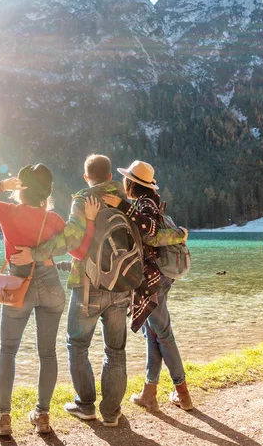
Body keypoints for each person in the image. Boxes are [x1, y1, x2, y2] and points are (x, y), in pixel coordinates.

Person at [11, 155, 184, 426]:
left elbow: (70, 239)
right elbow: (151, 235)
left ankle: (85, 404)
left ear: (86, 176)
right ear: (110, 176)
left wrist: (34, 253)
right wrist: (181, 234)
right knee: (115, 349)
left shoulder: (83, 199)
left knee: (77, 344)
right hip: (122, 286)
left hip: (89, 286)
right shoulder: (127, 201)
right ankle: (112, 413)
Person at [0, 164, 101, 435]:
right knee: (47, 353)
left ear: (22, 188)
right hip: (50, 285)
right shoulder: (55, 219)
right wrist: (91, 221)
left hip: (18, 286)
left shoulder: (8, 212)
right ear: (47, 191)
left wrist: (3, 186)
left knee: (8, 350)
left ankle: (3, 419)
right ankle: (43, 416)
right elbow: (80, 250)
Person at [101, 160, 192, 412]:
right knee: (152, 334)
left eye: (126, 180)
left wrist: (121, 205)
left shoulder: (145, 205)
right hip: (155, 277)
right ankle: (149, 393)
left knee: (162, 333)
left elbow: (149, 233)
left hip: (153, 278)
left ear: (131, 183)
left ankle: (182, 392)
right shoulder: (146, 203)